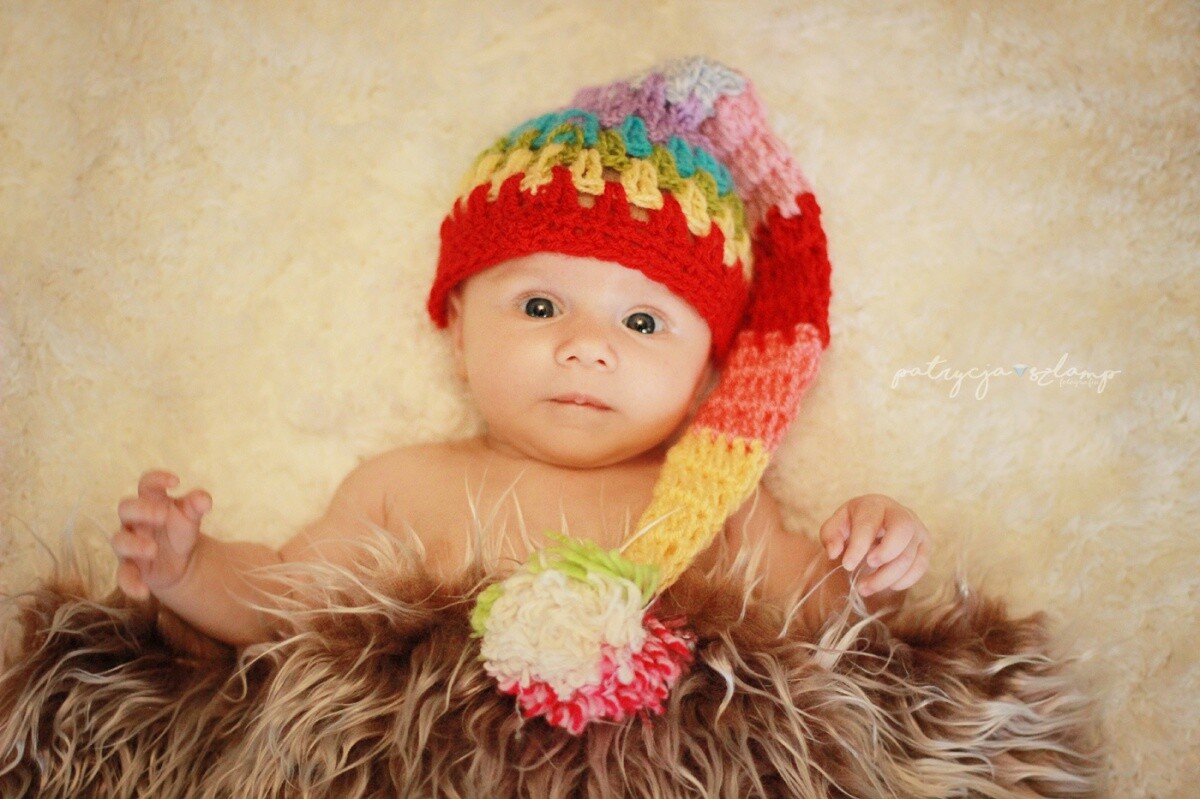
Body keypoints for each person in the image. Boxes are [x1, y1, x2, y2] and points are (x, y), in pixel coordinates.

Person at [110, 58, 930, 657]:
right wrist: (191, 567)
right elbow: (280, 602)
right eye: (540, 306)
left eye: (643, 322)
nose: (587, 345)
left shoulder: (716, 500)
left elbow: (819, 617)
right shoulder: (403, 487)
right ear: (459, 333)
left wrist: (873, 559)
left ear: (705, 379)